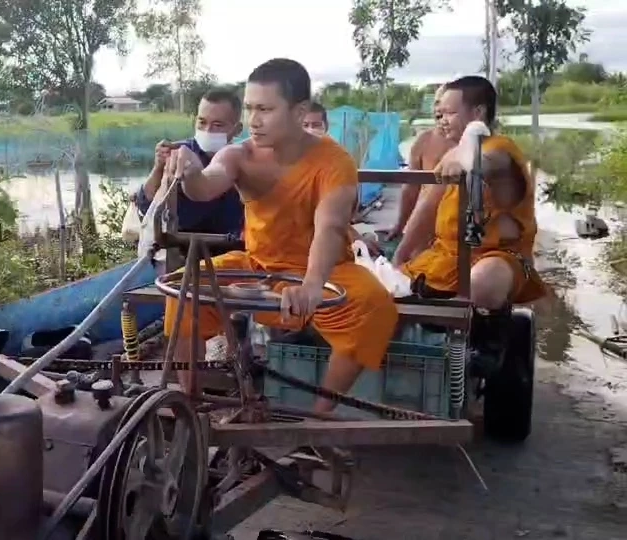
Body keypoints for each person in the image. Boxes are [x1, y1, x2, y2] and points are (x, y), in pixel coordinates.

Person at [165, 58, 398, 412]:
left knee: (373, 305)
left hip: (325, 271)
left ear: (298, 111)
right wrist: (192, 171)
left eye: (265, 109)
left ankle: (318, 417)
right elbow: (204, 187)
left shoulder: (334, 162)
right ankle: (191, 406)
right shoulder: (238, 154)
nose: (254, 120)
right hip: (258, 267)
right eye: (250, 108)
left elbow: (329, 227)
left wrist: (312, 285)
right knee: (185, 288)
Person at [393, 75, 546, 310]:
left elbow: (483, 163)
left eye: (450, 113)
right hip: (447, 256)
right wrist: (400, 256)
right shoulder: (450, 157)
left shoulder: (500, 150)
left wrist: (466, 151)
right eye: (440, 114)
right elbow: (427, 207)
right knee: (385, 287)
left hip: (496, 257)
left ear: (477, 113)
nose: (442, 120)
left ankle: (485, 335)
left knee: (484, 280)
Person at [132, 88, 245, 248]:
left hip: (230, 250)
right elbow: (146, 205)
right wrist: (159, 167)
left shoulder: (243, 160)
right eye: (202, 122)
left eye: (217, 125)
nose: (207, 131)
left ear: (237, 129)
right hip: (181, 251)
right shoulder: (180, 152)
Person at [388, 84, 457, 240]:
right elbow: (411, 188)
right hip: (425, 225)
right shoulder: (424, 140)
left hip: (457, 226)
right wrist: (400, 225)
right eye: (437, 102)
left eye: (447, 104)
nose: (440, 107)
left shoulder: (474, 144)